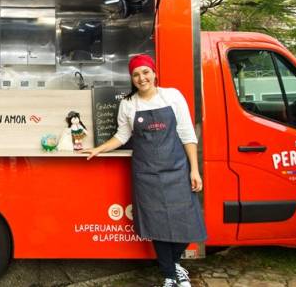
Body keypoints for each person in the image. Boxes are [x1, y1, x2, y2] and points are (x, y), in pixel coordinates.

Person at [82, 54, 206, 287]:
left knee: (186, 222)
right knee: (156, 225)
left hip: (177, 169)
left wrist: (194, 170)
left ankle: (175, 263)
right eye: (136, 74)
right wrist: (99, 149)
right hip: (146, 174)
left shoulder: (173, 96)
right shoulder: (128, 104)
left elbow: (188, 135)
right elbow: (121, 136)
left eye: (145, 72)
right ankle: (170, 275)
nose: (142, 78)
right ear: (132, 78)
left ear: (154, 73)